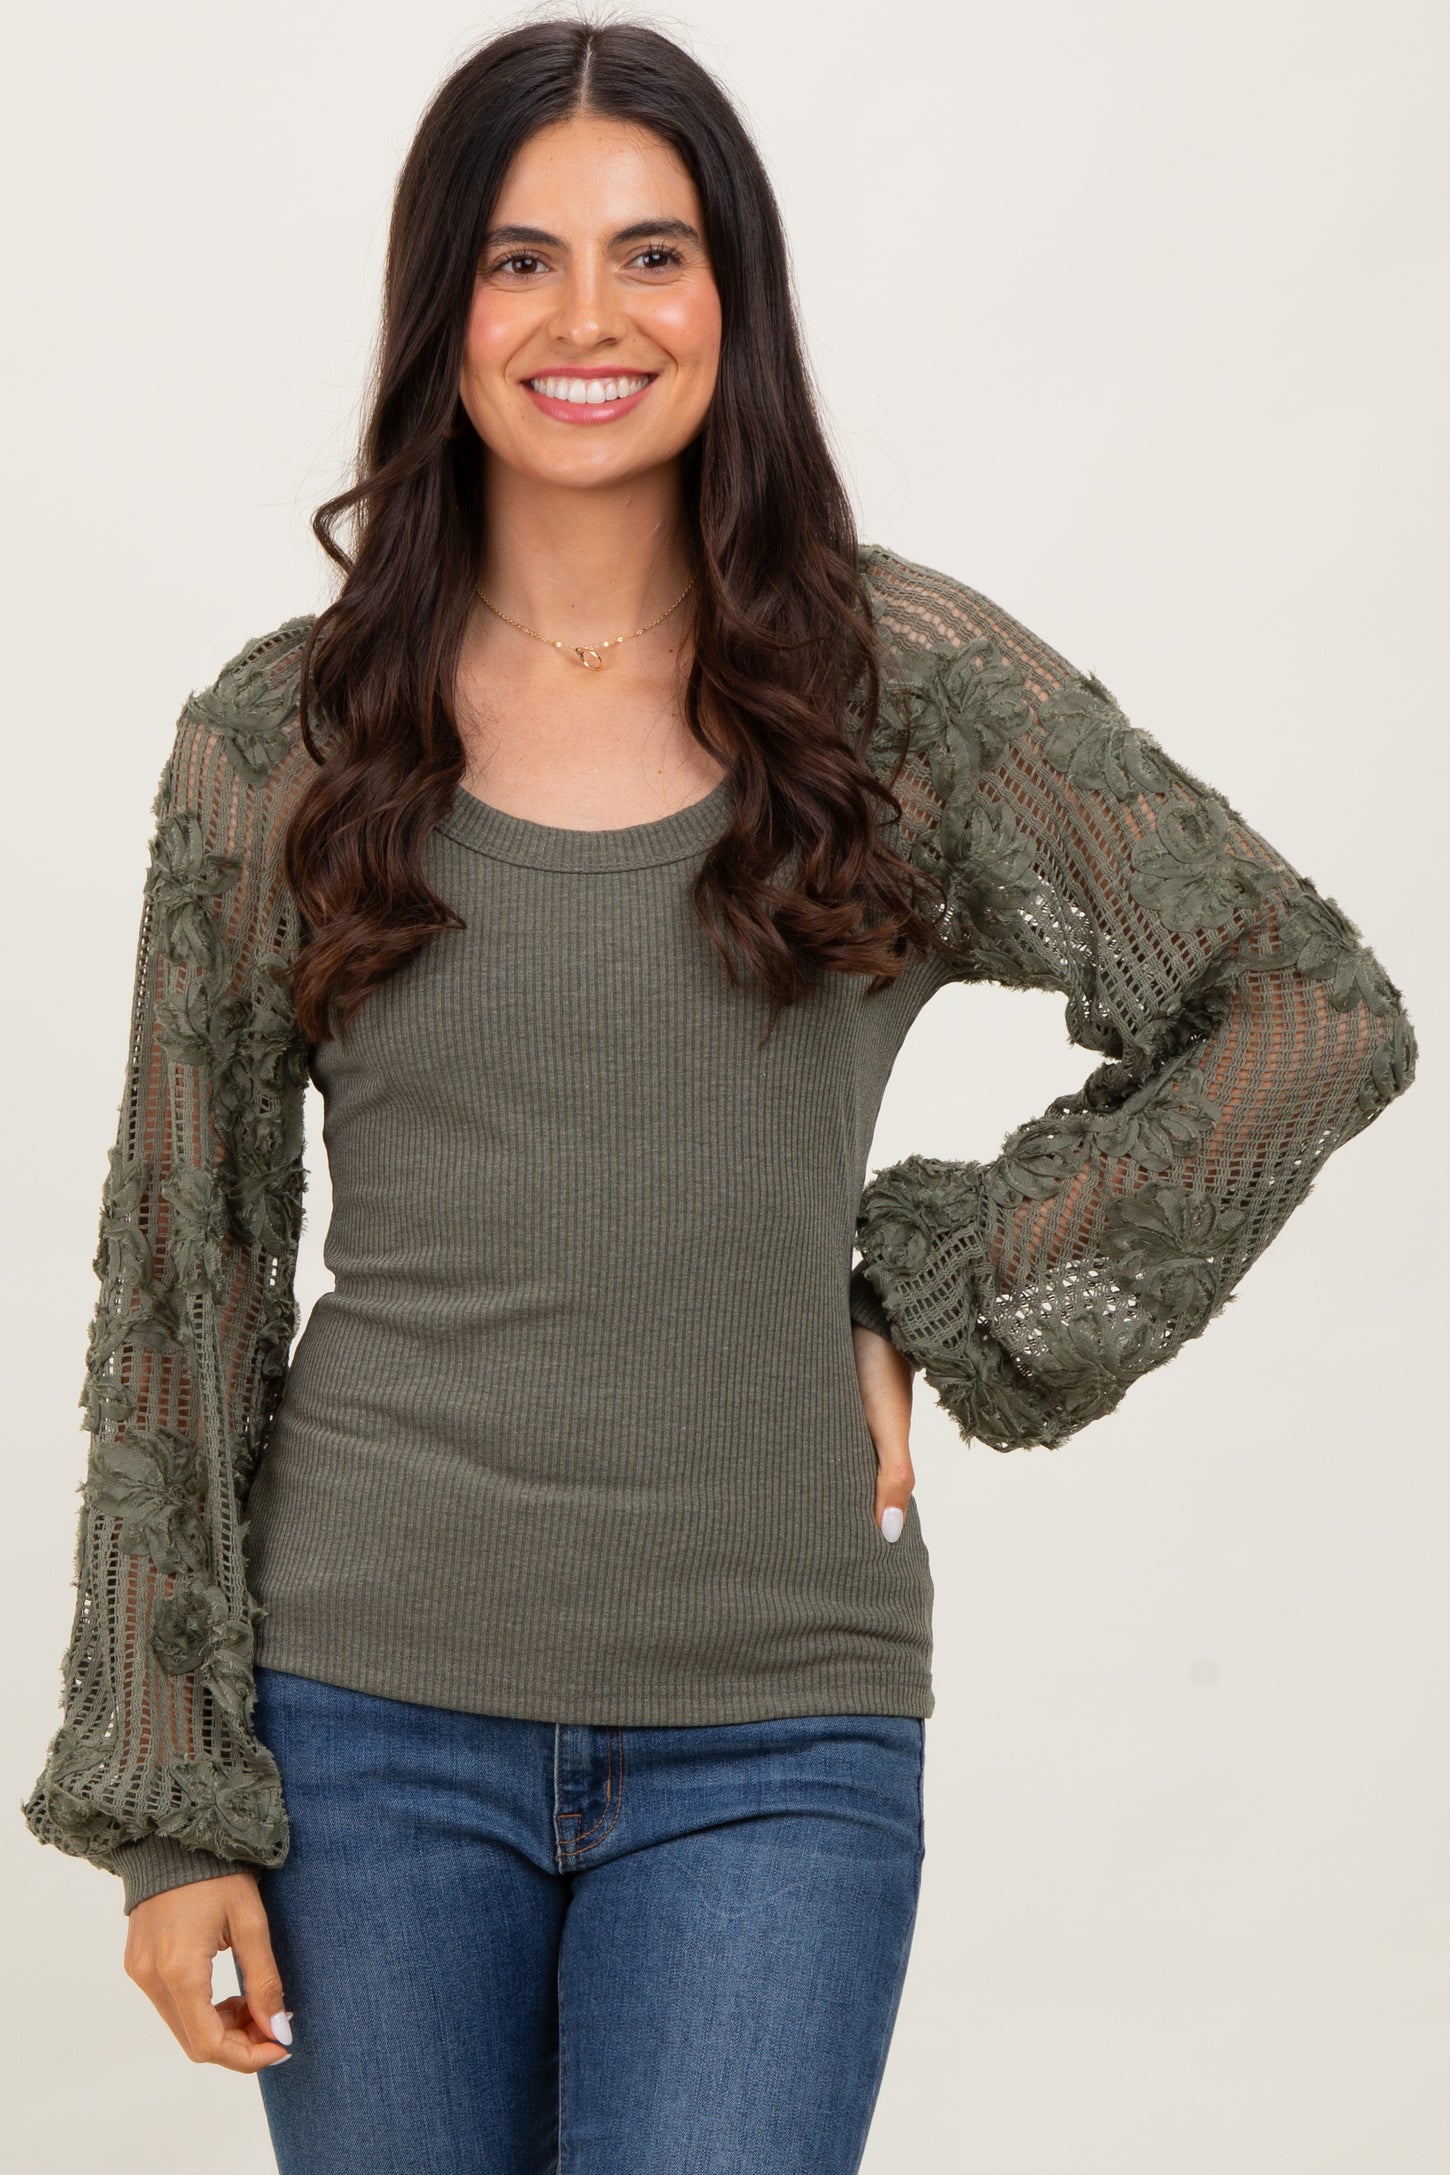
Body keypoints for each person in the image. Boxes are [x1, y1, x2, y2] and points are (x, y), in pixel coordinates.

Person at [20, 18, 1418, 2175]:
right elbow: (182, 1271)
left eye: (651, 254)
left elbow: (1300, 1007)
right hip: (364, 1723)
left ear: (730, 299)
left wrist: (937, 1289)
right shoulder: (279, 738)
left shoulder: (894, 693)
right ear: (438, 307)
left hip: (775, 1728)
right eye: (520, 260)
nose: (587, 317)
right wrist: (166, 1807)